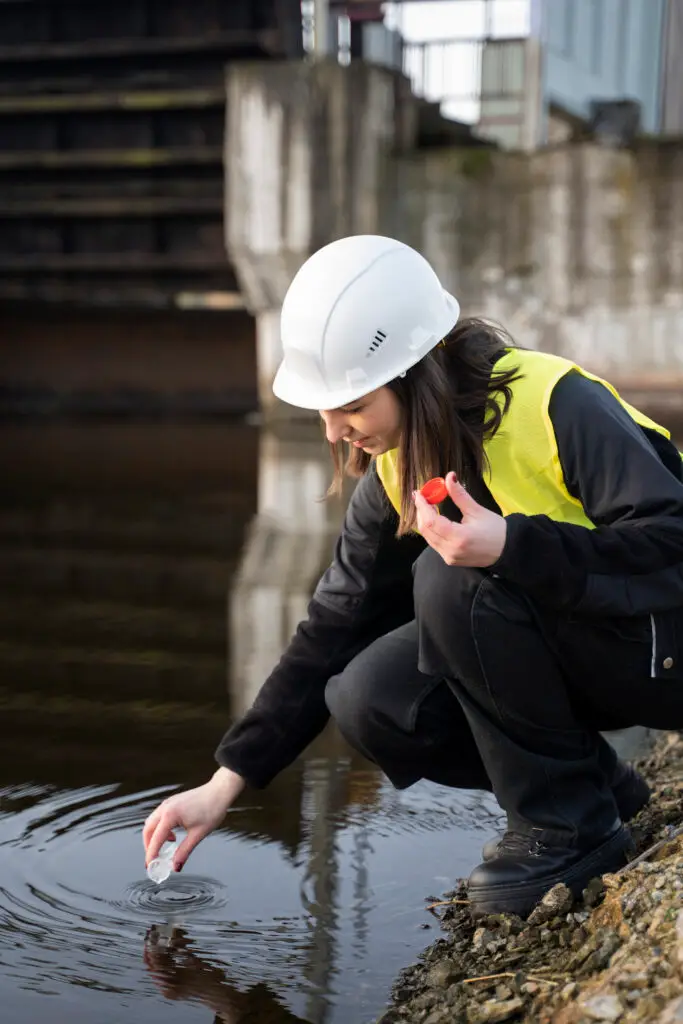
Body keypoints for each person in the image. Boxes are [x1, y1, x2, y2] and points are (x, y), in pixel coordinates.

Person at [143, 235, 683, 918]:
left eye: (352, 406)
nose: (336, 431)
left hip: (664, 652)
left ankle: (566, 832)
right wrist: (227, 781)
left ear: (413, 372)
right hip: (593, 653)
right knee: (369, 699)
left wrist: (512, 545)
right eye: (325, 408)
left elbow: (671, 543)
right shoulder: (397, 467)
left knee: (450, 580)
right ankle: (595, 796)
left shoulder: (556, 404)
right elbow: (332, 626)